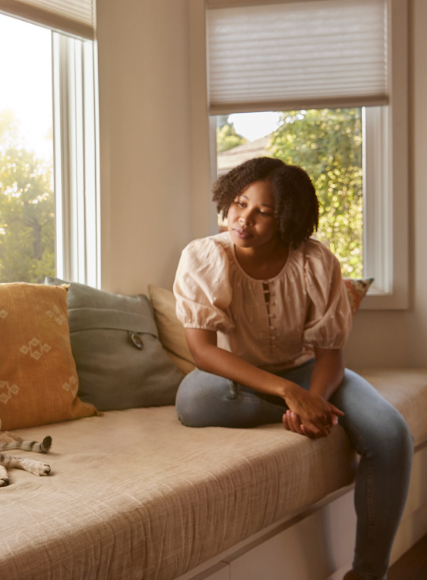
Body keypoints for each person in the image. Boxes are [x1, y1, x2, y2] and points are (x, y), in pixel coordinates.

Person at [173, 157, 413, 580]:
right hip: (235, 376)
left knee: (392, 435)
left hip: (308, 373)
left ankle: (368, 573)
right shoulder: (204, 256)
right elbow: (203, 354)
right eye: (240, 203)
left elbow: (330, 357)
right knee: (194, 399)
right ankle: (298, 405)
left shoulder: (317, 263)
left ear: (287, 218)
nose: (243, 219)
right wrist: (289, 396)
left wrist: (312, 398)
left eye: (263, 212)